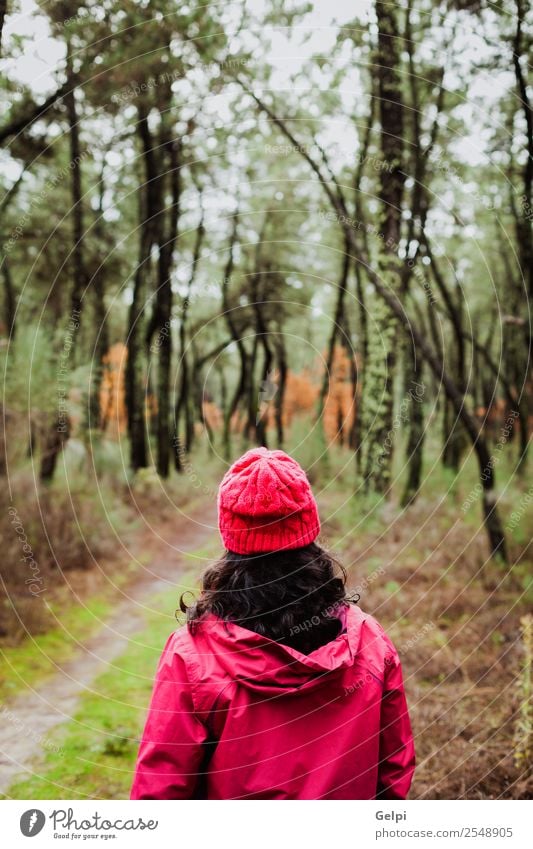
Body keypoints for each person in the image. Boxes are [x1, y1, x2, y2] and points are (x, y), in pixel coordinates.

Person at [130, 447, 415, 800]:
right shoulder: (369, 642)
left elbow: (162, 790)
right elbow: (393, 771)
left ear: (230, 535)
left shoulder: (193, 656)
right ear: (308, 528)